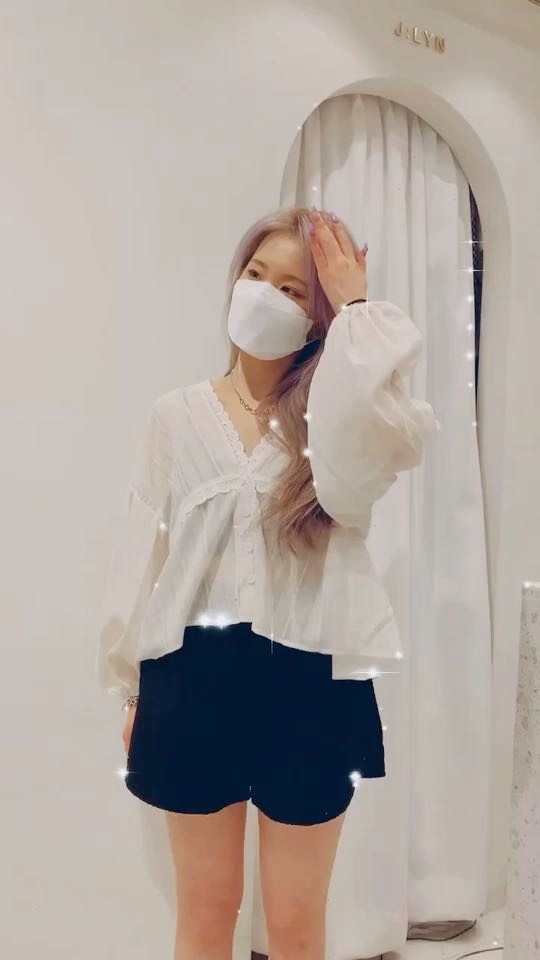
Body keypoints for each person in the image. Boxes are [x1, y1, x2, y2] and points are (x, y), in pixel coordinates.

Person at [96, 205, 439, 960]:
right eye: (256, 275)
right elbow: (145, 556)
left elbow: (402, 432)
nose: (265, 296)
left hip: (311, 678)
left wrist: (356, 308)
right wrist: (130, 685)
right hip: (191, 677)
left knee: (295, 926)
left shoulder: (337, 419)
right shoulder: (175, 417)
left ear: (316, 318)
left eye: (292, 289)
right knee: (205, 913)